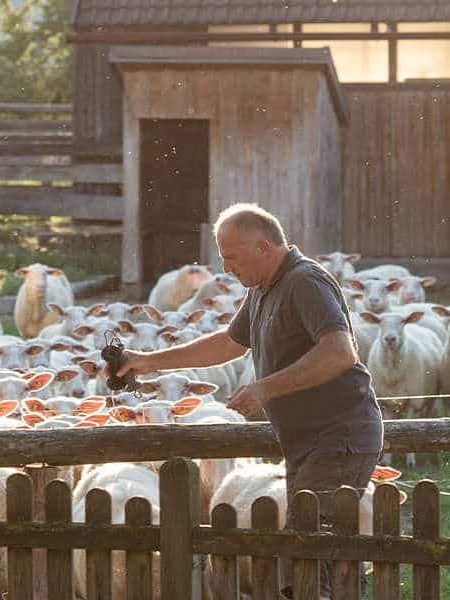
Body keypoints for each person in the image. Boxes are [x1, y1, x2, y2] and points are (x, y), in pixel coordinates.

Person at [116, 203, 382, 596]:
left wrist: (264, 388)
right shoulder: (263, 289)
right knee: (313, 549)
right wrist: (147, 361)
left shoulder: (305, 282)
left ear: (262, 248)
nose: (225, 268)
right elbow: (229, 343)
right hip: (309, 442)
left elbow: (340, 352)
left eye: (231, 257)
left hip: (339, 437)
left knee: (308, 549)